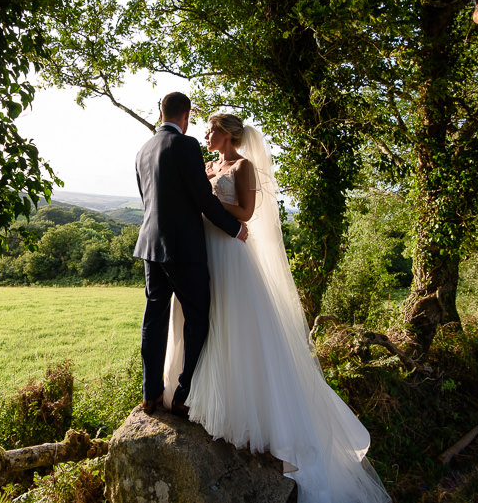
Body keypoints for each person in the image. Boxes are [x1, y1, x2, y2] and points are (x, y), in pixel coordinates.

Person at [162, 113, 391, 503]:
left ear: (230, 135)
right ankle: (199, 394)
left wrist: (212, 202)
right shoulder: (209, 165)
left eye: (213, 129)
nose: (207, 134)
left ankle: (246, 414)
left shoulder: (244, 166)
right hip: (204, 250)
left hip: (231, 252)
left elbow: (247, 213)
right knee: (205, 321)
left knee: (235, 325)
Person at [133, 93, 248, 417]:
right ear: (185, 116)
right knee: (197, 318)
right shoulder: (185, 145)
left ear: (161, 113)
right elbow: (202, 198)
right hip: (184, 248)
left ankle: (150, 394)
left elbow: (148, 200)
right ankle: (183, 394)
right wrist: (234, 228)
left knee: (154, 319)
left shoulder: (143, 149)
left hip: (150, 247)